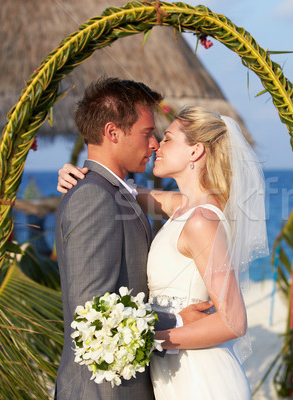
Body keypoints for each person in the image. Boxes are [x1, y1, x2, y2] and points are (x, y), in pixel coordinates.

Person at [58, 106, 268, 399]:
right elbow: (118, 189)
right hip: (172, 374)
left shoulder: (201, 221)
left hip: (199, 378)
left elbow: (233, 321)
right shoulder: (182, 206)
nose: (156, 145)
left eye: (168, 139)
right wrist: (79, 174)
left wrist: (145, 340)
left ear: (195, 151)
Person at [54, 78, 212, 400]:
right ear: (113, 132)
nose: (154, 144)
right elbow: (92, 314)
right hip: (103, 390)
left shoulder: (113, 192)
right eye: (146, 133)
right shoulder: (94, 198)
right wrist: (178, 319)